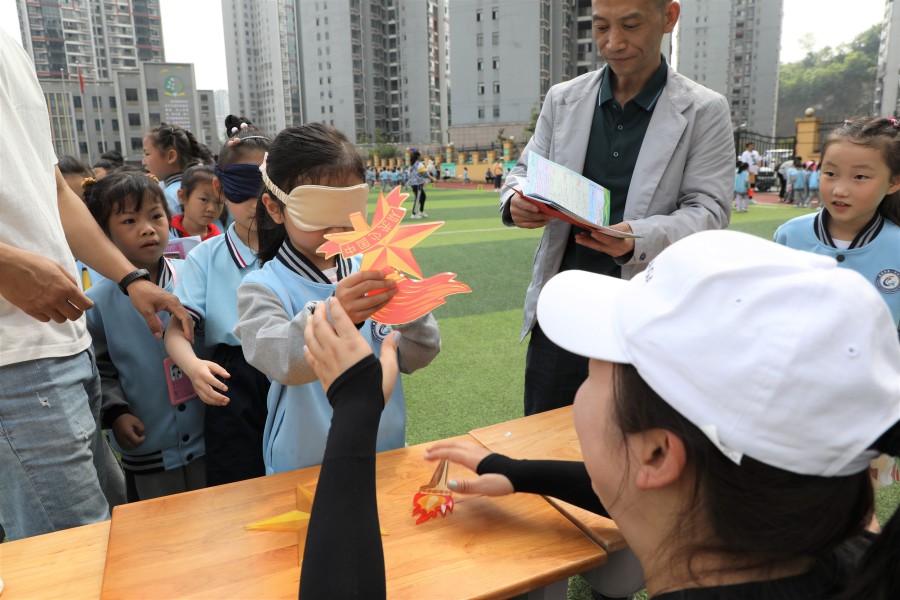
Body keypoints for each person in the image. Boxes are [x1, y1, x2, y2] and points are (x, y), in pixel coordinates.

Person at [300, 230, 900, 600]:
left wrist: (356, 411)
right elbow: (654, 485)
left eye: (593, 370)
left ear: (657, 454)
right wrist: (517, 469)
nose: (580, 387)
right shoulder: (851, 550)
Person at [0, 28, 191, 541]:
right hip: (12, 359)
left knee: (108, 533)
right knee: (73, 553)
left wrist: (128, 277)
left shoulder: (9, 43)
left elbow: (50, 188)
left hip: (64, 345)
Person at [501, 0, 733, 416]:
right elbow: (524, 170)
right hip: (563, 309)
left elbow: (710, 212)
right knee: (544, 441)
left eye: (630, 25)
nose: (613, 43)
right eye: (602, 26)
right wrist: (517, 200)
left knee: (635, 450)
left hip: (648, 315)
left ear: (668, 17)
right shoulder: (563, 99)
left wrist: (635, 238)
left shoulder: (704, 110)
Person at [233, 123, 441, 474]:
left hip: (383, 451)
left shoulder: (371, 268)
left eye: (347, 209)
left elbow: (418, 354)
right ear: (275, 208)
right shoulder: (262, 288)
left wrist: (410, 309)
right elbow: (282, 361)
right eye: (319, 209)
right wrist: (336, 312)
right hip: (306, 463)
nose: (337, 226)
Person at [84, 172, 206, 500]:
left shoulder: (193, 278)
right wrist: (117, 413)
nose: (148, 228)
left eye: (156, 216)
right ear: (102, 235)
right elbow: (100, 369)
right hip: (148, 443)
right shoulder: (97, 302)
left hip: (208, 436)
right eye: (129, 221)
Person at [165, 122, 272, 486]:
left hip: (297, 371)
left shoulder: (299, 251)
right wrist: (193, 367)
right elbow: (177, 330)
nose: (258, 202)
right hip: (233, 380)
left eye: (268, 186)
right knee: (237, 485)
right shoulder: (205, 258)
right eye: (244, 188)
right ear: (220, 187)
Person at [775, 116, 900, 331]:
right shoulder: (790, 235)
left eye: (860, 176)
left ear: (893, 182)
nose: (839, 190)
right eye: (830, 173)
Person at [142, 123, 214, 216]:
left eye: (147, 154)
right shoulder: (209, 186)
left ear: (171, 156)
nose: (143, 162)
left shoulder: (167, 197)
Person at [171, 165, 224, 241]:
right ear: (182, 196)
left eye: (219, 202)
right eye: (204, 199)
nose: (211, 209)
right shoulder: (166, 232)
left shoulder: (219, 242)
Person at [408, 149, 435, 218]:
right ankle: (414, 214)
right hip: (417, 183)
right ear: (418, 156)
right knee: (418, 198)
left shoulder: (412, 164)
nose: (421, 156)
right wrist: (432, 178)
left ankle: (421, 211)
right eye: (420, 155)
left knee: (423, 197)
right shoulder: (419, 164)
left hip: (414, 183)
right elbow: (424, 173)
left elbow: (411, 173)